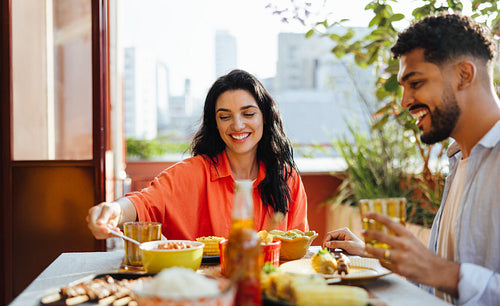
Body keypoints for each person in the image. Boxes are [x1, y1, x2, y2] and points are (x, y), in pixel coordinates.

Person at [323, 14, 500, 305]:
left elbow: (447, 274)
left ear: (464, 75)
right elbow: (448, 272)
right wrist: (378, 253)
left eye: (415, 82)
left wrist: (443, 273)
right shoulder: (458, 159)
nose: (404, 101)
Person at [87, 69, 309, 241]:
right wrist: (114, 210)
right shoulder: (192, 172)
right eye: (225, 117)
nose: (237, 125)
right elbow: (143, 203)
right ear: (215, 124)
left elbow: (298, 246)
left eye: (248, 113)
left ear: (265, 117)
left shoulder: (287, 178)